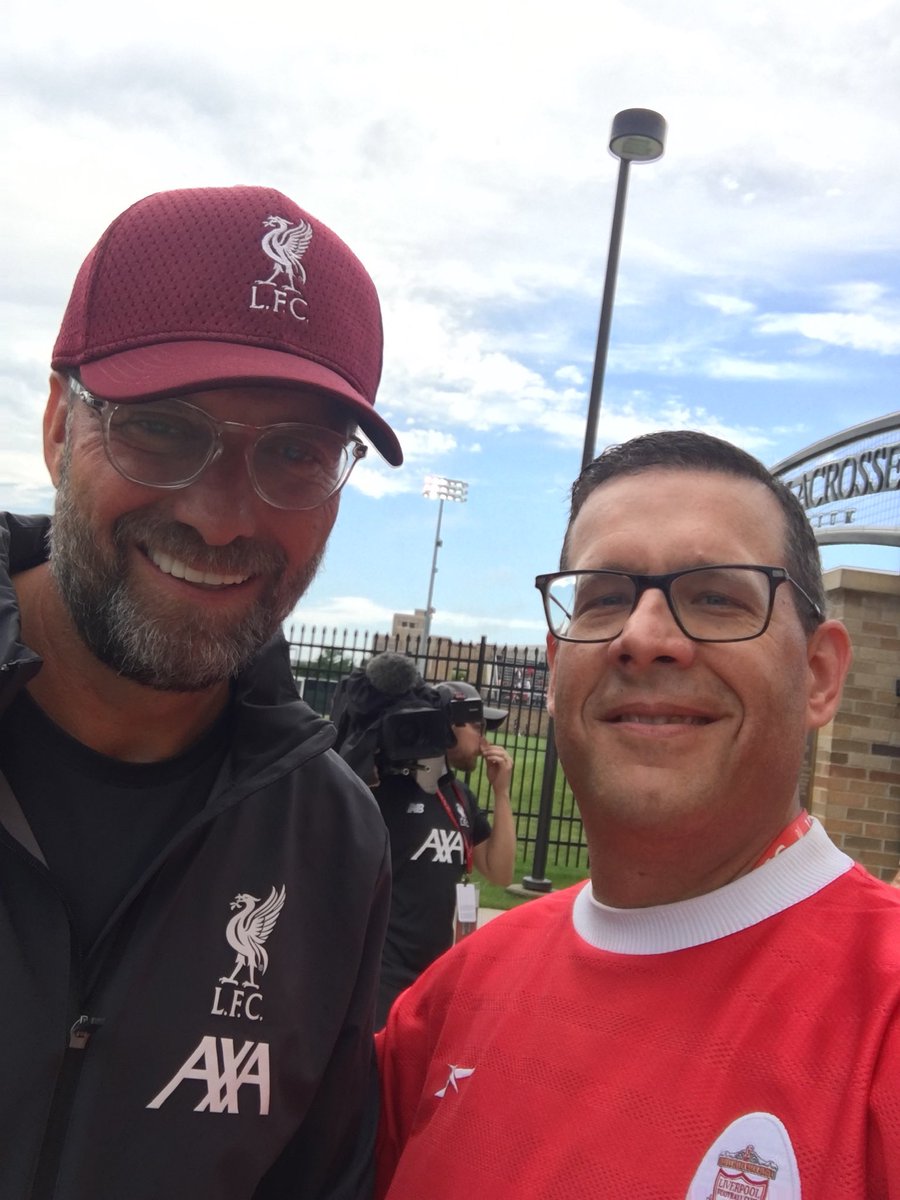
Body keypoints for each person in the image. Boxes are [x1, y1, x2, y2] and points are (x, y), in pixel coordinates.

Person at [0, 185, 403, 1199]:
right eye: (164, 430)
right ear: (57, 427)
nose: (225, 520)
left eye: (295, 453)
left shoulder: (333, 848)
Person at [375, 430, 900, 1199]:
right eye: (606, 597)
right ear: (557, 671)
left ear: (819, 675)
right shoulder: (452, 998)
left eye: (717, 597)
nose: (644, 637)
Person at [372, 678, 516, 1026]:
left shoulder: (460, 796)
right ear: (448, 725)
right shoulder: (388, 789)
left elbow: (500, 871)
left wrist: (501, 793)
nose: (483, 738)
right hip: (383, 977)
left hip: (433, 973)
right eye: (477, 725)